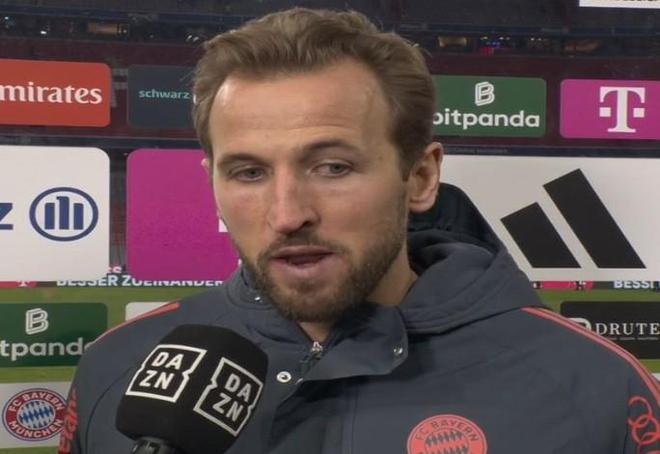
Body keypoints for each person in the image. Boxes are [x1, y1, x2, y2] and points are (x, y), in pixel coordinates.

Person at [59, 8, 659, 454]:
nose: (287, 214)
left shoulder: (596, 389)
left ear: (420, 176)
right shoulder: (117, 366)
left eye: (332, 167)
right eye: (249, 172)